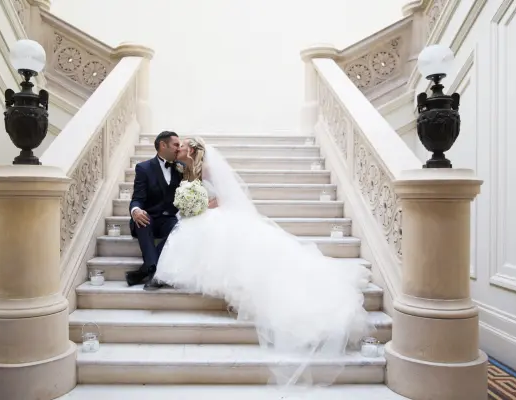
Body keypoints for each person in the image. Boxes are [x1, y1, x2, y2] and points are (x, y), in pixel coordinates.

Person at [154, 137, 373, 385]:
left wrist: (202, 206)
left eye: (181, 145)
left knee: (212, 231)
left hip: (221, 213)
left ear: (191, 149)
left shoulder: (208, 168)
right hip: (206, 212)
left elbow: (225, 198)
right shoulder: (185, 170)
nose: (177, 148)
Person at [126, 131, 182, 291]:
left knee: (181, 230)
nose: (179, 148)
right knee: (142, 220)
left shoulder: (181, 168)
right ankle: (155, 273)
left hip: (169, 218)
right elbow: (137, 197)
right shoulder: (144, 168)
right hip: (148, 216)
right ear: (163, 145)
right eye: (176, 145)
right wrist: (135, 210)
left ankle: (147, 269)